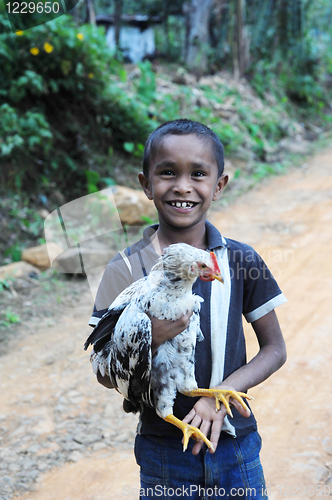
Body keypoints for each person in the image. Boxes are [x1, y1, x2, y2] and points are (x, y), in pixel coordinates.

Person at [88, 119, 287, 499]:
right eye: (167, 173)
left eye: (198, 173)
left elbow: (275, 349)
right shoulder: (125, 268)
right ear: (146, 184)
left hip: (234, 444)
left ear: (219, 185)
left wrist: (222, 394)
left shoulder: (241, 261)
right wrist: (151, 334)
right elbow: (102, 368)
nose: (182, 186)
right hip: (164, 449)